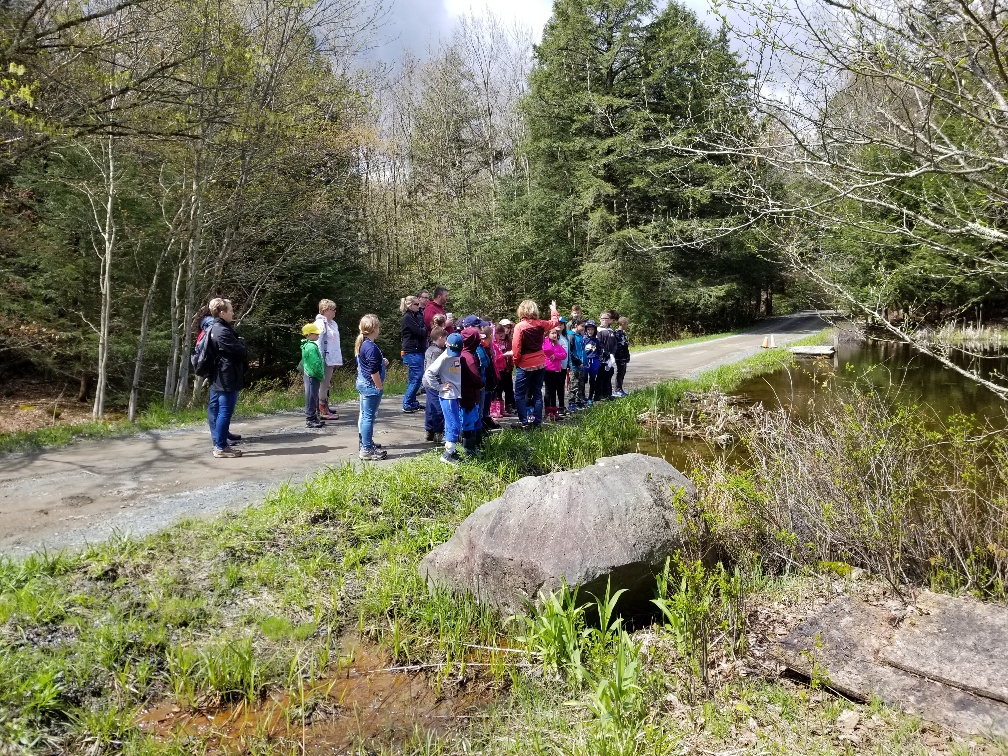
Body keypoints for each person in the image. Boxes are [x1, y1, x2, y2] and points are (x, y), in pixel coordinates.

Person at [207, 298, 247, 458]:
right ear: (222, 313)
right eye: (230, 310)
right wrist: (242, 345)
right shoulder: (222, 331)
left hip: (218, 375)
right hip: (226, 376)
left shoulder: (214, 328)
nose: (233, 313)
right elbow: (240, 351)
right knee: (224, 411)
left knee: (217, 409)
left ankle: (219, 442)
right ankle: (221, 447)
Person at [512, 299, 560, 428]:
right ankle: (537, 422)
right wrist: (553, 310)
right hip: (540, 363)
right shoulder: (541, 324)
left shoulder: (519, 326)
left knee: (519, 395)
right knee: (537, 393)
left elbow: (516, 347)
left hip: (525, 364)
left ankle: (524, 422)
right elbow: (555, 322)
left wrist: (516, 362)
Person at [423, 332, 464, 465]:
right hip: (448, 396)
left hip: (455, 395)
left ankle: (452, 450)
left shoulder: (458, 355)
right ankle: (447, 455)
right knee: (454, 424)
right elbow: (429, 373)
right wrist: (439, 387)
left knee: (453, 423)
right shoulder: (444, 356)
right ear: (446, 344)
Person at [355, 314, 389, 461]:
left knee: (365, 416)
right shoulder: (370, 347)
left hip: (364, 384)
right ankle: (366, 449)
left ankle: (366, 443)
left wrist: (382, 361)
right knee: (368, 418)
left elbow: (369, 363)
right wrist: (379, 387)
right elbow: (373, 370)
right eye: (378, 327)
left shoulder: (364, 343)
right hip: (370, 386)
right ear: (374, 328)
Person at [314, 299, 342, 421]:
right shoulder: (320, 323)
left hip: (330, 359)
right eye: (332, 309)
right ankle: (322, 410)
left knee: (326, 385)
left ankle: (325, 407)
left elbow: (335, 344)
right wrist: (320, 360)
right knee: (323, 385)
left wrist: (336, 360)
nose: (334, 311)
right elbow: (318, 342)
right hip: (324, 359)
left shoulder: (333, 324)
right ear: (325, 310)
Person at [459, 326, 485, 454]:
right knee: (469, 422)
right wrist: (482, 384)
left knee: (466, 421)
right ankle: (469, 450)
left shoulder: (461, 354)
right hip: (469, 396)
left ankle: (469, 447)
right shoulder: (469, 358)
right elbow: (475, 378)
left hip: (463, 395)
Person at [400, 295, 427, 414]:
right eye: (416, 304)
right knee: (417, 377)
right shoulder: (408, 317)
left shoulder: (416, 315)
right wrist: (425, 330)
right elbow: (420, 331)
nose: (418, 306)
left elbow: (423, 328)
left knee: (414, 377)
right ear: (409, 305)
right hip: (412, 350)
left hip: (418, 350)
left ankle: (412, 401)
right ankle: (407, 403)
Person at [423, 326, 448, 442]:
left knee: (430, 406)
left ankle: (429, 430)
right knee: (438, 408)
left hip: (428, 382)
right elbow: (432, 370)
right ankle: (438, 432)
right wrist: (440, 385)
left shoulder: (430, 349)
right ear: (440, 337)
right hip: (433, 383)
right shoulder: (437, 352)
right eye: (445, 338)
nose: (446, 341)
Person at [300, 323, 326, 428]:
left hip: (311, 374)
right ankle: (310, 419)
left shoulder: (309, 345)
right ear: (309, 334)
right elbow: (315, 364)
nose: (318, 335)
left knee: (314, 396)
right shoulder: (311, 347)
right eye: (316, 334)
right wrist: (320, 375)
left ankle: (314, 417)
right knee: (311, 396)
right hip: (312, 375)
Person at [542, 325, 568, 421]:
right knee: (548, 391)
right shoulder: (545, 342)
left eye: (556, 333)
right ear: (547, 334)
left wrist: (556, 355)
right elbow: (545, 350)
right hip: (548, 369)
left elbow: (564, 354)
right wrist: (546, 339)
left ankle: (553, 411)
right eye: (552, 333)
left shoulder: (556, 344)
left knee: (553, 391)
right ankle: (548, 411)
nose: (555, 335)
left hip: (557, 370)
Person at [493, 319, 515, 415]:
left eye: (508, 327)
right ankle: (497, 409)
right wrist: (505, 354)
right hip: (498, 369)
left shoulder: (509, 341)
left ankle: (509, 406)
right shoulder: (495, 342)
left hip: (507, 367)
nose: (507, 329)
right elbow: (496, 356)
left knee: (509, 388)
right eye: (505, 327)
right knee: (498, 389)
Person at [596, 311, 617, 400]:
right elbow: (599, 343)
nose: (604, 320)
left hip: (610, 358)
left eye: (606, 318)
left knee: (609, 375)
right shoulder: (598, 330)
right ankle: (599, 395)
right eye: (603, 318)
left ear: (609, 320)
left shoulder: (611, 330)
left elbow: (615, 343)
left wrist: (613, 354)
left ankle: (608, 393)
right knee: (601, 376)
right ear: (600, 319)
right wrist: (607, 354)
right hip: (602, 357)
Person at [567, 319, 587, 409]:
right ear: (576, 325)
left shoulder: (580, 336)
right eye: (582, 326)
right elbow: (570, 351)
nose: (584, 328)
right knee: (574, 384)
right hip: (575, 365)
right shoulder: (571, 336)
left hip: (582, 364)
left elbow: (582, 350)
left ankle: (579, 401)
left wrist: (585, 361)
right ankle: (571, 403)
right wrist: (577, 362)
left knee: (580, 384)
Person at [583, 320, 601, 404]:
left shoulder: (597, 341)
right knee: (583, 380)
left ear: (595, 330)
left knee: (592, 380)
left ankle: (590, 397)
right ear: (586, 330)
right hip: (585, 361)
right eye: (588, 329)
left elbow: (599, 351)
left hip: (594, 361)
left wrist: (599, 360)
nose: (590, 331)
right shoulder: (583, 339)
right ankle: (583, 396)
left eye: (592, 329)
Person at [614, 316, 631, 396]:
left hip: (624, 357)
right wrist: (620, 357)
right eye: (626, 324)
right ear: (623, 324)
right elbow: (618, 346)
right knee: (620, 373)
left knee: (623, 372)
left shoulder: (623, 333)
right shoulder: (617, 333)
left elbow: (625, 345)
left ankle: (620, 388)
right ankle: (617, 389)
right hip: (620, 357)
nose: (627, 326)